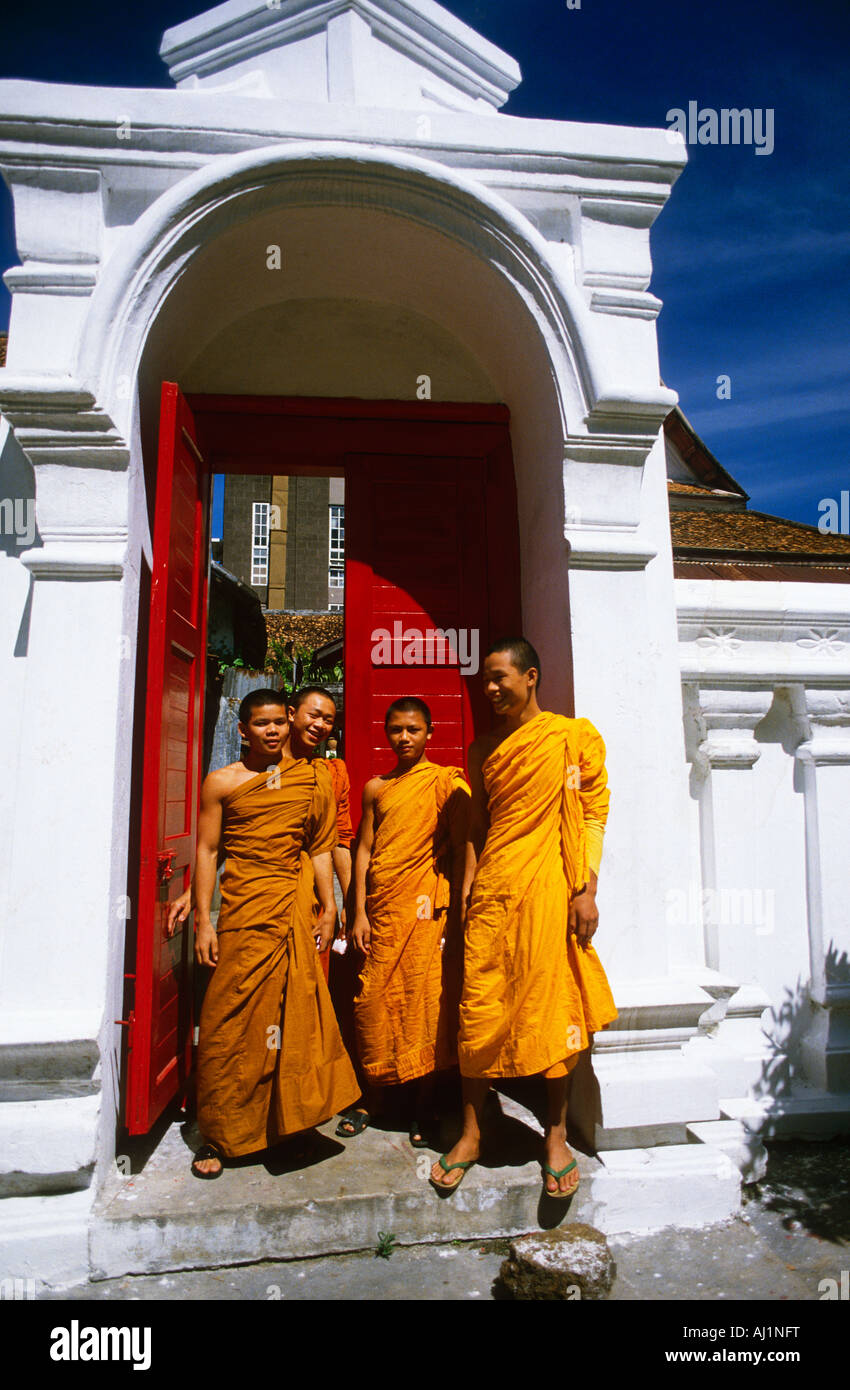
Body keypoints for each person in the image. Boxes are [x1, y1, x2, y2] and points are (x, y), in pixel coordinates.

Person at [430, 640, 617, 1199]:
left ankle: (555, 1136)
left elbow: (591, 814)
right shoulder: (483, 747)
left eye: (498, 678)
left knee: (552, 1007)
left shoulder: (570, 737)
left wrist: (587, 889)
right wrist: (465, 896)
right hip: (492, 894)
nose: (488, 690)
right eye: (483, 681)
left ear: (530, 676)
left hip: (549, 893)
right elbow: (477, 829)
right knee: (478, 1008)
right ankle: (472, 1131)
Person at [179, 688, 358, 1177]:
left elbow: (320, 848)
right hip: (243, 910)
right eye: (263, 723)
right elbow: (209, 853)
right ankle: (219, 1135)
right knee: (228, 1020)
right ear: (243, 730)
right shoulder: (221, 783)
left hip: (292, 908)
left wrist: (328, 908)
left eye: (280, 721)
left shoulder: (310, 779)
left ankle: (286, 1128)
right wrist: (203, 920)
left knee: (291, 1016)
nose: (274, 731)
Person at [349, 698, 469, 1147]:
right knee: (372, 999)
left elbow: (461, 850)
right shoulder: (376, 788)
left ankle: (424, 1104)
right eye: (396, 729)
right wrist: (357, 911)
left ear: (429, 733)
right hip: (382, 911)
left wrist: (457, 912)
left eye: (413, 730)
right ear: (386, 733)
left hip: (424, 912)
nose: (404, 738)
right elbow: (364, 848)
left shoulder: (446, 783)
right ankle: (376, 1097)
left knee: (424, 1003)